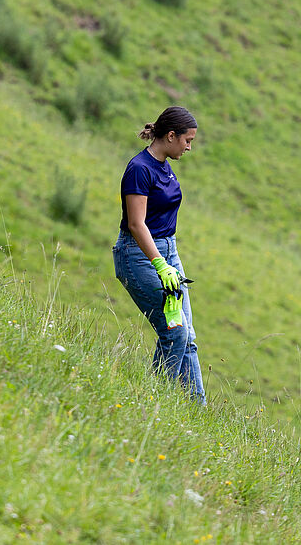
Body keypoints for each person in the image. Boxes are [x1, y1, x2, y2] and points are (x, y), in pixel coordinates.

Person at [113, 106, 205, 404]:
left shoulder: (164, 164)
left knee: (187, 337)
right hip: (140, 256)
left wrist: (168, 260)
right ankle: (155, 403)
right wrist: (160, 265)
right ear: (170, 135)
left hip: (169, 252)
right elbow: (136, 224)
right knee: (173, 333)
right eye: (187, 140)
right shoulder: (139, 169)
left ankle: (197, 410)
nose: (189, 146)